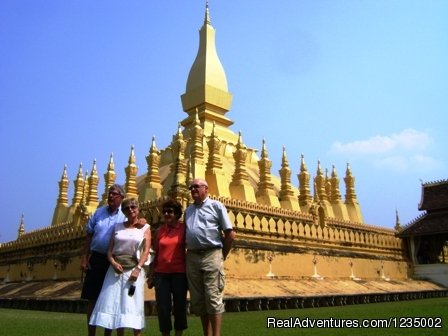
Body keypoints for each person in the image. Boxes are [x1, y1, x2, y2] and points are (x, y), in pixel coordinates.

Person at [89, 198, 151, 336]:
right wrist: (113, 262)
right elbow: (110, 251)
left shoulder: (145, 228)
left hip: (134, 270)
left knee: (133, 306)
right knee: (111, 305)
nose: (130, 210)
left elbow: (146, 251)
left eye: (133, 207)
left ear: (138, 209)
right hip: (115, 270)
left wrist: (138, 268)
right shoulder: (117, 227)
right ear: (123, 211)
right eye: (127, 208)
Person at [184, 178, 236, 336]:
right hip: (192, 256)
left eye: (196, 187)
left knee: (213, 298)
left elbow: (230, 234)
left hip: (212, 254)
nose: (193, 189)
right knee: (199, 300)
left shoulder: (216, 206)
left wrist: (221, 256)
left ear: (206, 189)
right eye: (191, 187)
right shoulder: (188, 210)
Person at [81, 184, 126, 336]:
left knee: (110, 300)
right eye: (109, 193)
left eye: (114, 194)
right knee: (92, 299)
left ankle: (108, 333)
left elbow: (137, 225)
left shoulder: (124, 216)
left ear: (121, 197)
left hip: (114, 261)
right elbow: (88, 235)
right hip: (97, 259)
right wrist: (84, 258)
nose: (111, 196)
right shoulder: (98, 213)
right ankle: (91, 334)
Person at [151, 199, 188, 336]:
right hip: (161, 274)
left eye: (170, 211)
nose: (167, 214)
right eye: (165, 211)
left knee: (179, 306)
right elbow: (156, 253)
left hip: (179, 273)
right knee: (163, 307)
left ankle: (179, 334)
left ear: (177, 214)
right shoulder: (160, 231)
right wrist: (151, 275)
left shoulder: (183, 229)